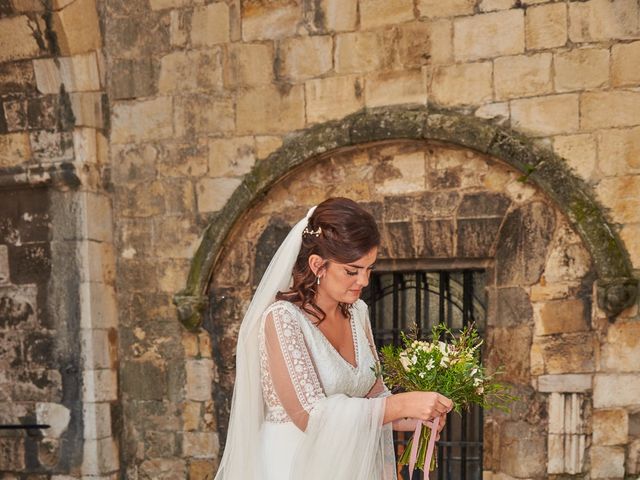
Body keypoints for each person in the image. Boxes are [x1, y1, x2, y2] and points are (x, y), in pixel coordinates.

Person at [214, 197, 453, 480]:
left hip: (349, 467)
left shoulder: (358, 312)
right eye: (352, 271)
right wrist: (399, 406)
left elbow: (374, 395)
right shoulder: (282, 319)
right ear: (318, 265)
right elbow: (308, 415)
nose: (363, 281)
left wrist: (412, 418)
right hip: (292, 466)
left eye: (369, 269)